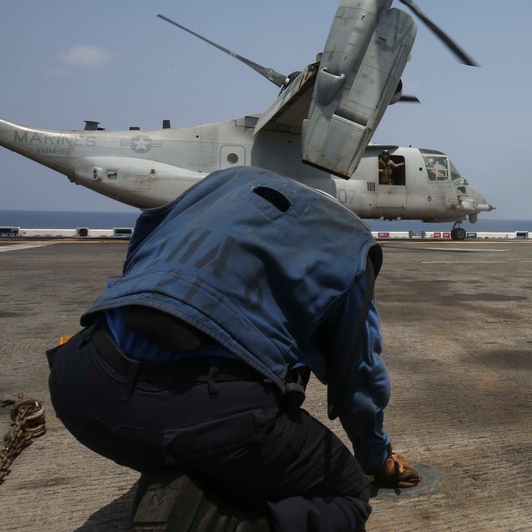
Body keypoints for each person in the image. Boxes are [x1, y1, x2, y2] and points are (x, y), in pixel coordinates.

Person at [47, 166, 419, 532]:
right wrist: (375, 459)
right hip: (205, 410)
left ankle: (183, 472)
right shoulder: (351, 244)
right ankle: (223, 524)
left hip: (80, 384)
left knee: (192, 440)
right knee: (349, 495)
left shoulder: (220, 186)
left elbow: (143, 246)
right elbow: (359, 378)